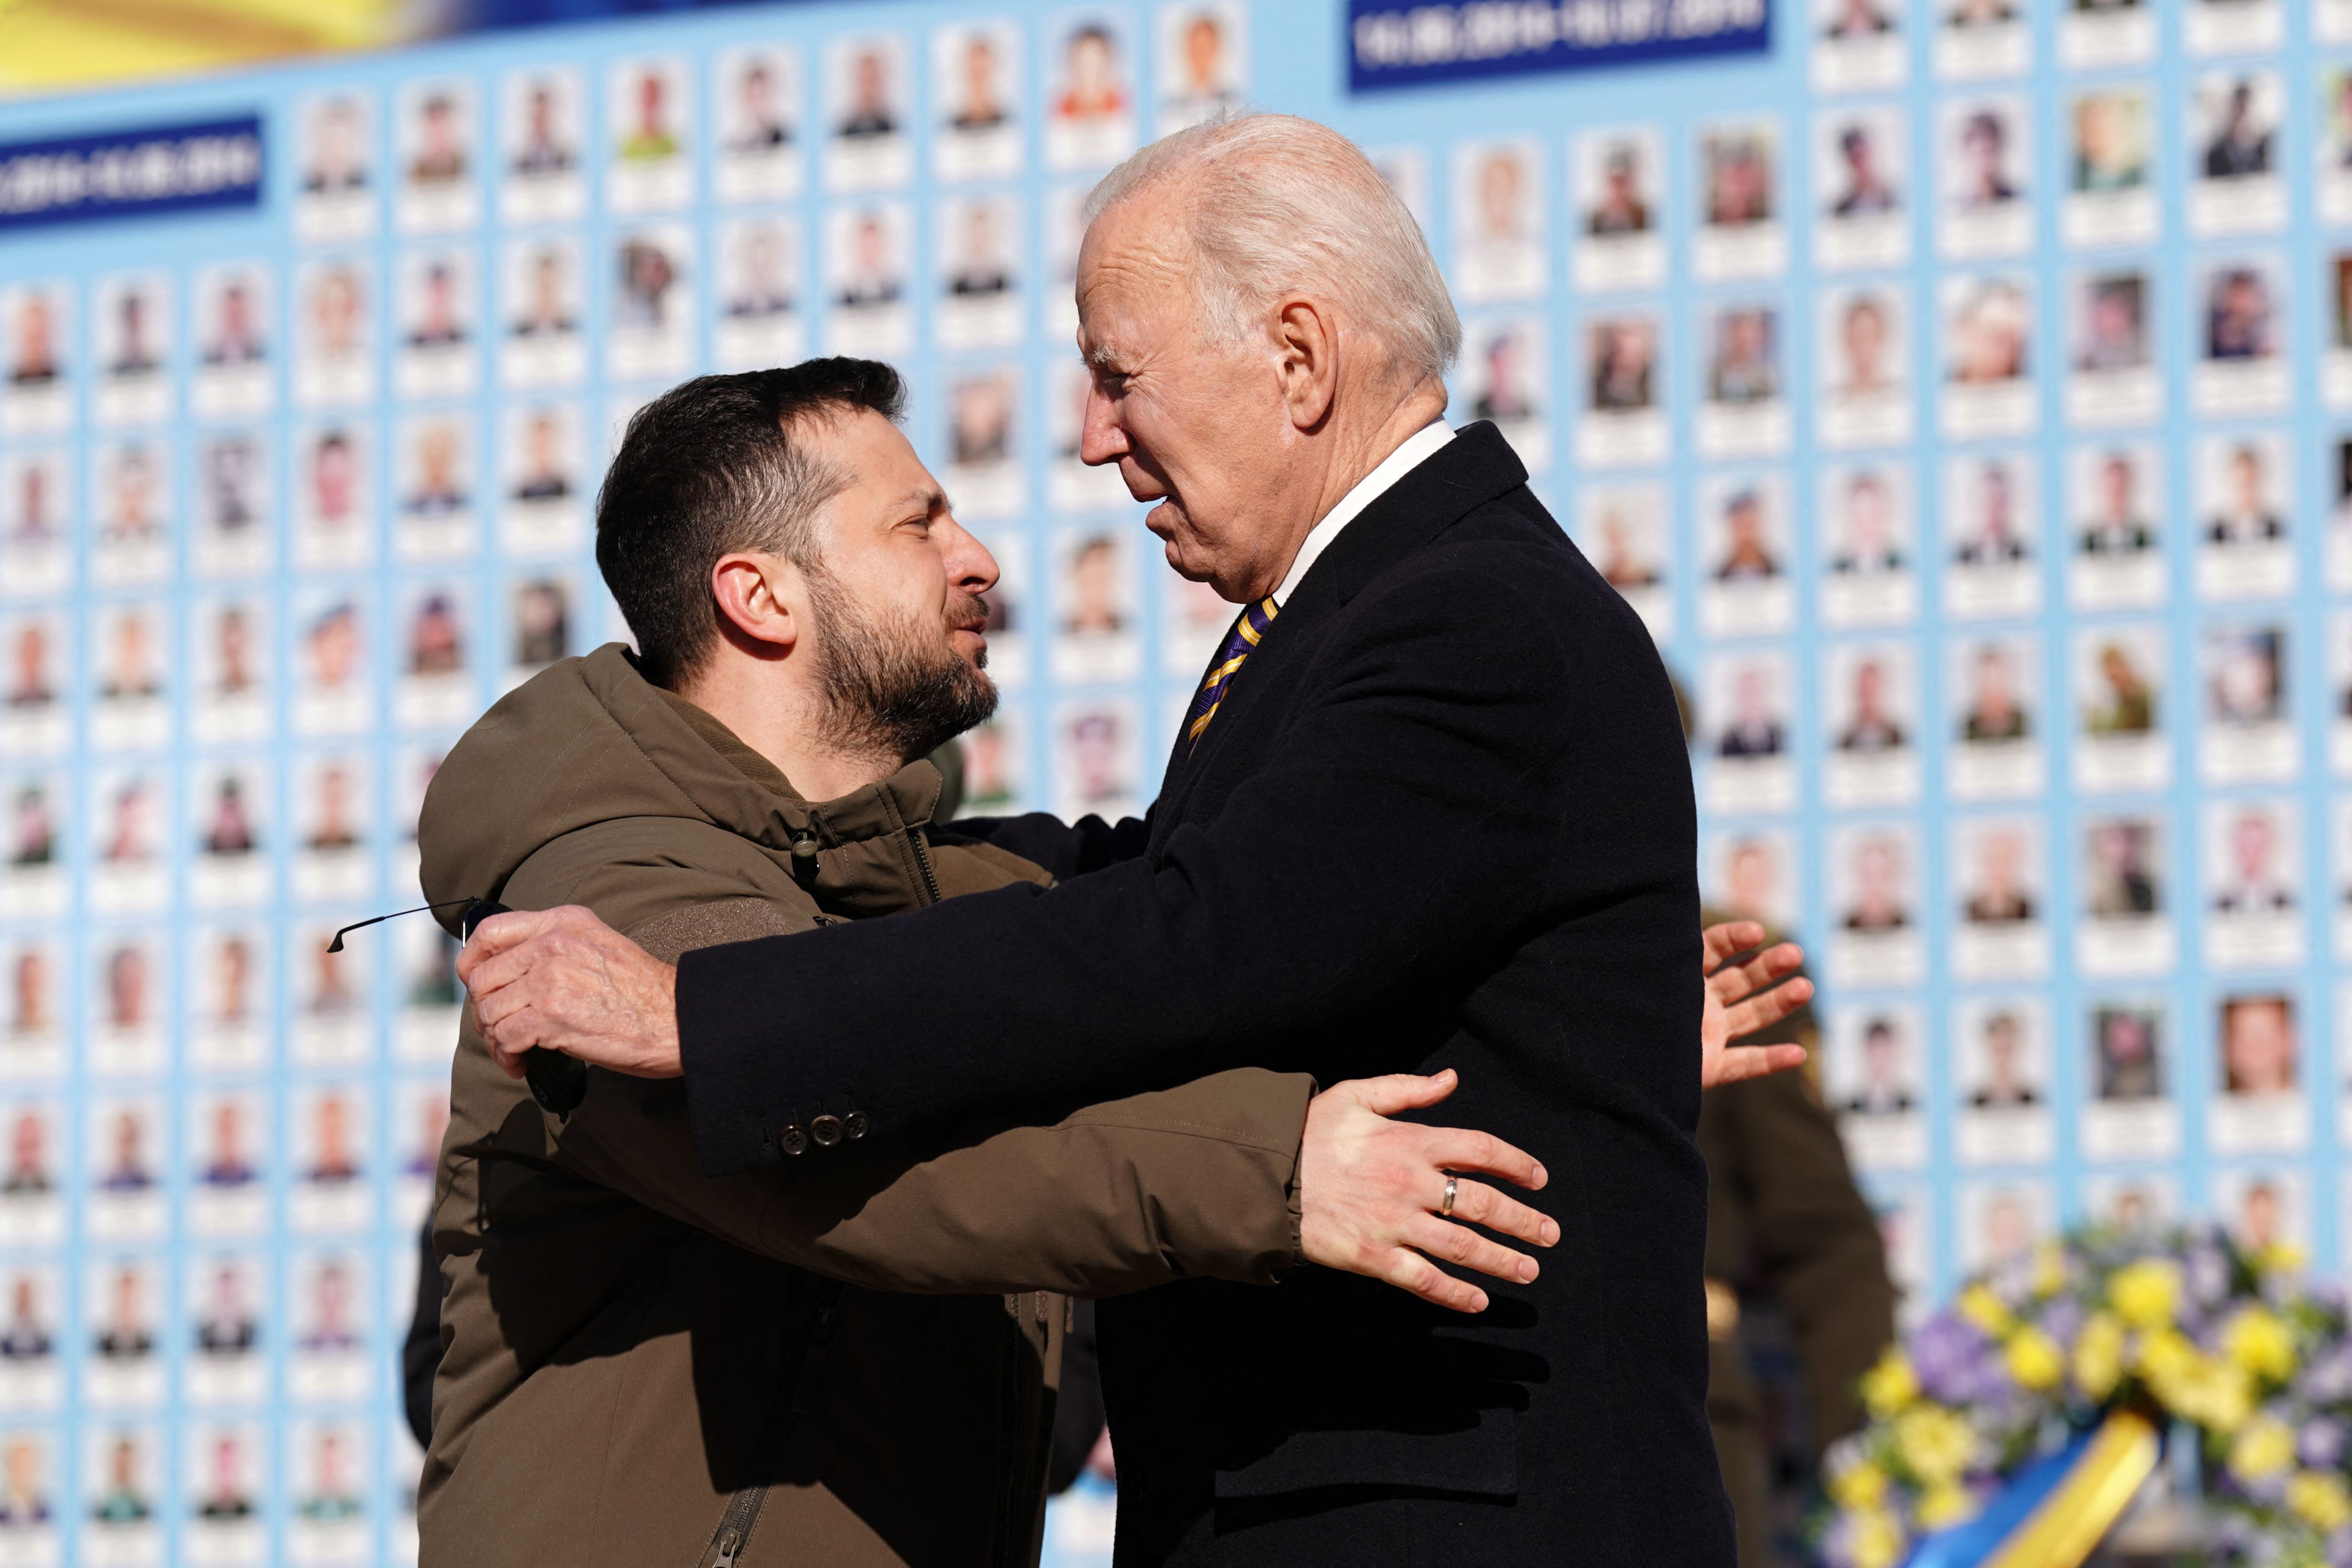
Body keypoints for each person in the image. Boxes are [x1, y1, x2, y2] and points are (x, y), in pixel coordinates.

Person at [458, 117, 1807, 1567]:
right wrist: (1556, 1046)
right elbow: (1167, 892)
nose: (1094, 433)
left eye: (1117, 372)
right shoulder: (1380, 610)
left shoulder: (1460, 616)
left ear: (1298, 356)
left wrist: (701, 1012)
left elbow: (1197, 936)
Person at [2203, 80, 2272, 180]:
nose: (2241, 119)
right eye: (2237, 110)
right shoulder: (2214, 156)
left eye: (2244, 110)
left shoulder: (2264, 151)